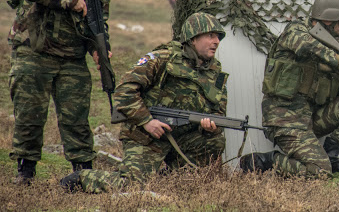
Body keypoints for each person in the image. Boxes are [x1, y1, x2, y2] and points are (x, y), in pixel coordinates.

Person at [60, 12, 228, 193]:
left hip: (182, 139)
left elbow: (218, 111)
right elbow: (125, 90)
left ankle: (166, 175)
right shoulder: (162, 58)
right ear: (193, 38)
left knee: (209, 153)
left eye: (218, 37)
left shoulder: (214, 72)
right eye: (210, 35)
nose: (216, 41)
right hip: (146, 137)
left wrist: (211, 127)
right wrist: (147, 121)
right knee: (130, 186)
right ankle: (83, 178)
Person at [8, 0, 111, 185]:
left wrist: (100, 49)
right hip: (35, 49)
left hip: (72, 55)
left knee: (77, 117)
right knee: (30, 114)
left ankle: (83, 171)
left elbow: (99, 18)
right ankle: (25, 172)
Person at [239, 0, 339, 178]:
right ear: (329, 18)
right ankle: (267, 161)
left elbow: (338, 90)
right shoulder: (296, 31)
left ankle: (330, 156)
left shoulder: (331, 46)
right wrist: (337, 60)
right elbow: (304, 45)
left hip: (311, 118)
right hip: (286, 122)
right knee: (319, 173)